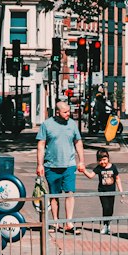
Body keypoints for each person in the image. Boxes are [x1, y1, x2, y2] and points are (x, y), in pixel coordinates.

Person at [36, 97, 92, 231]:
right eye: (65, 112)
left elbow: (78, 142)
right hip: (51, 165)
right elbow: (41, 145)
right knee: (54, 196)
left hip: (69, 165)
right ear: (57, 112)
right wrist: (40, 164)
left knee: (70, 193)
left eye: (69, 111)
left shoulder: (72, 124)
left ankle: (69, 223)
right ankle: (55, 222)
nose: (69, 114)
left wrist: (82, 161)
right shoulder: (46, 125)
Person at [94, 147, 122, 234]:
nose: (102, 162)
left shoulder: (113, 167)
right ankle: (105, 225)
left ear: (108, 158)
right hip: (102, 191)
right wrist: (83, 170)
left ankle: (108, 224)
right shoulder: (99, 168)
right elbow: (91, 175)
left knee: (110, 209)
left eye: (104, 159)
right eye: (100, 160)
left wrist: (121, 191)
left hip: (112, 191)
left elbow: (117, 179)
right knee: (105, 208)